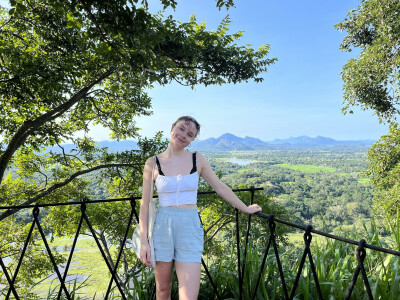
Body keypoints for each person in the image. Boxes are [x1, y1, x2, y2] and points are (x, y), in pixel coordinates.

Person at [138, 116, 262, 300]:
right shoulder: (153, 162)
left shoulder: (198, 160)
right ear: (172, 127)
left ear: (192, 139)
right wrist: (144, 242)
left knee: (188, 295)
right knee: (162, 290)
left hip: (189, 226)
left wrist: (245, 208)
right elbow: (145, 203)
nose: (183, 136)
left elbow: (220, 187)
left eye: (190, 134)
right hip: (162, 227)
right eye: (181, 129)